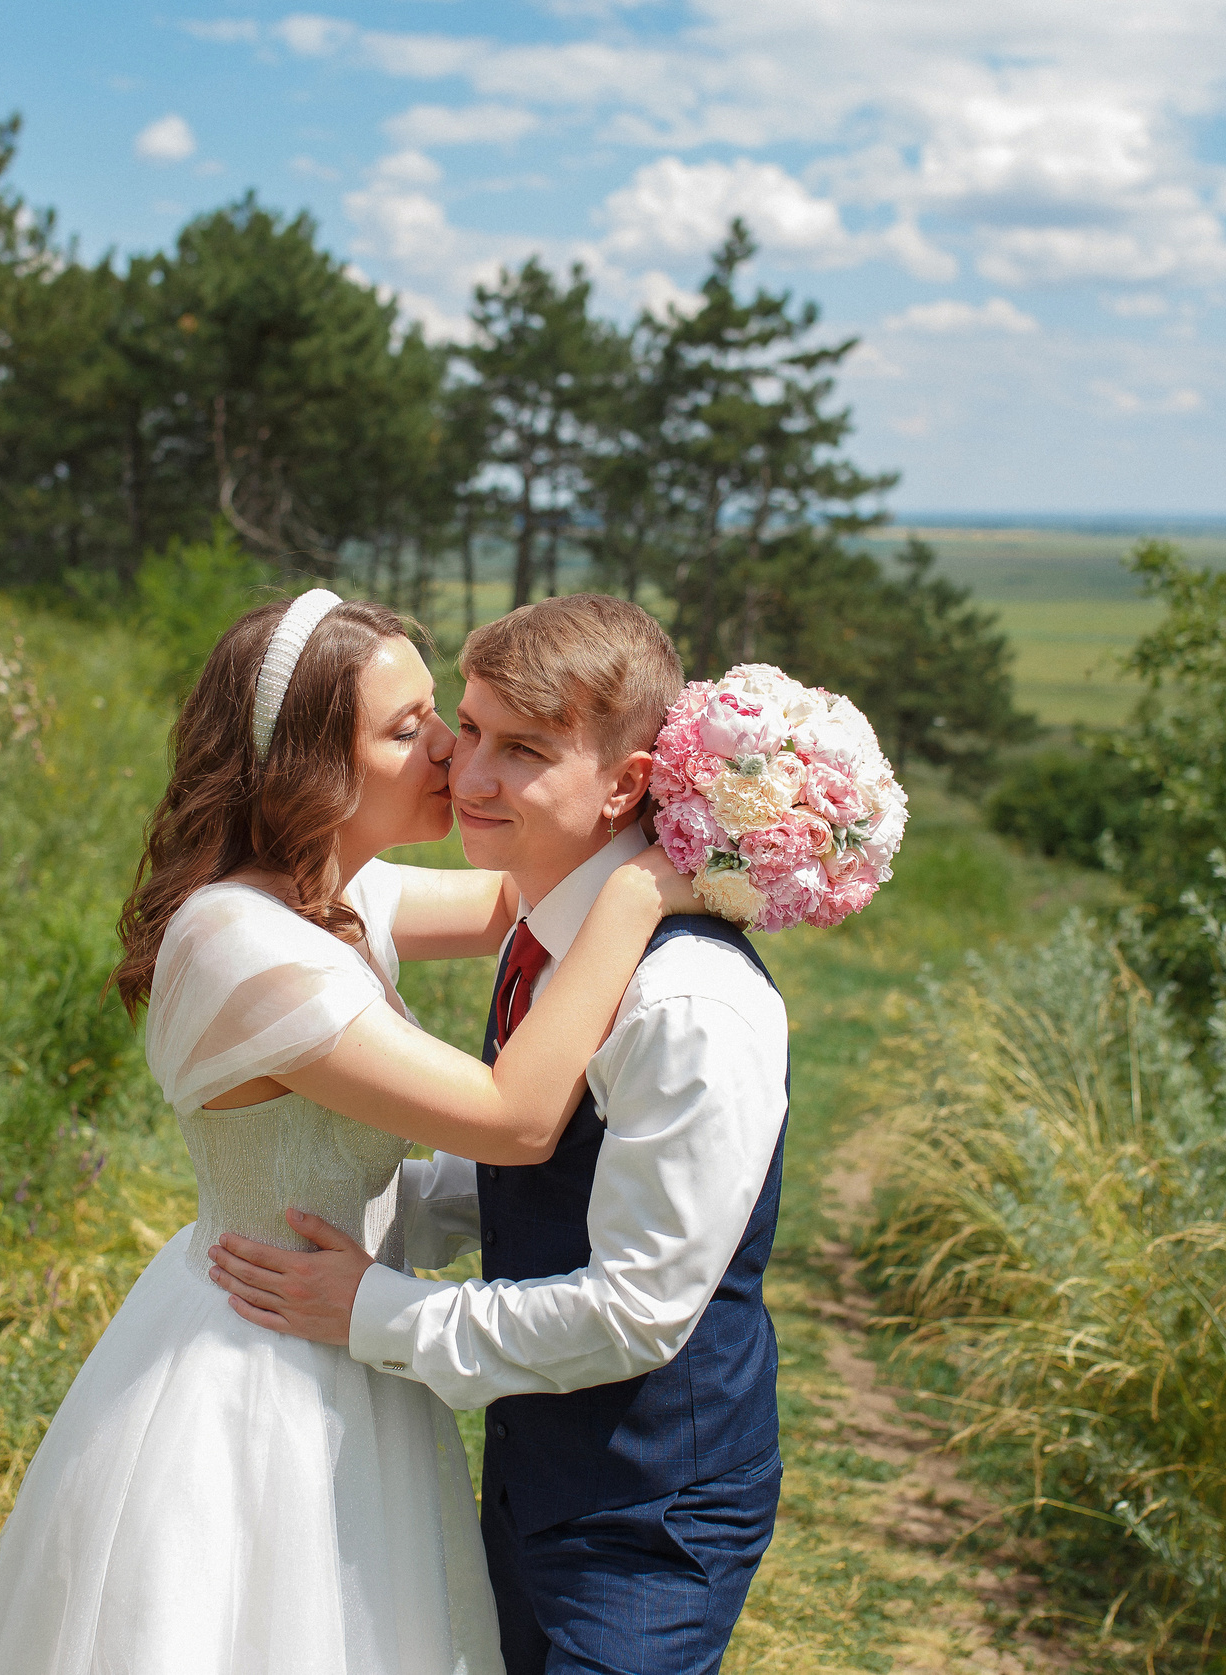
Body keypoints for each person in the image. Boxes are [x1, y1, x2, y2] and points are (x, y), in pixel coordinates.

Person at [0, 590, 700, 1675]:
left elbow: (512, 899)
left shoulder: (328, 894)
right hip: (260, 1361)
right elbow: (513, 1119)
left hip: (346, 1330)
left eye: (440, 712)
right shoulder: (242, 946)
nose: (450, 747)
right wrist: (636, 896)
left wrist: (670, 795)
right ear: (309, 770)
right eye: (407, 731)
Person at [211, 595, 792, 1675]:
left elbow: (635, 1312)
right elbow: (547, 1178)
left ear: (625, 783)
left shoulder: (687, 1006)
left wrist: (376, 1309)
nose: (469, 775)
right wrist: (362, 1212)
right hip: (538, 1464)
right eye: (467, 729)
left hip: (647, 1511)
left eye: (523, 749)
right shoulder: (547, 925)